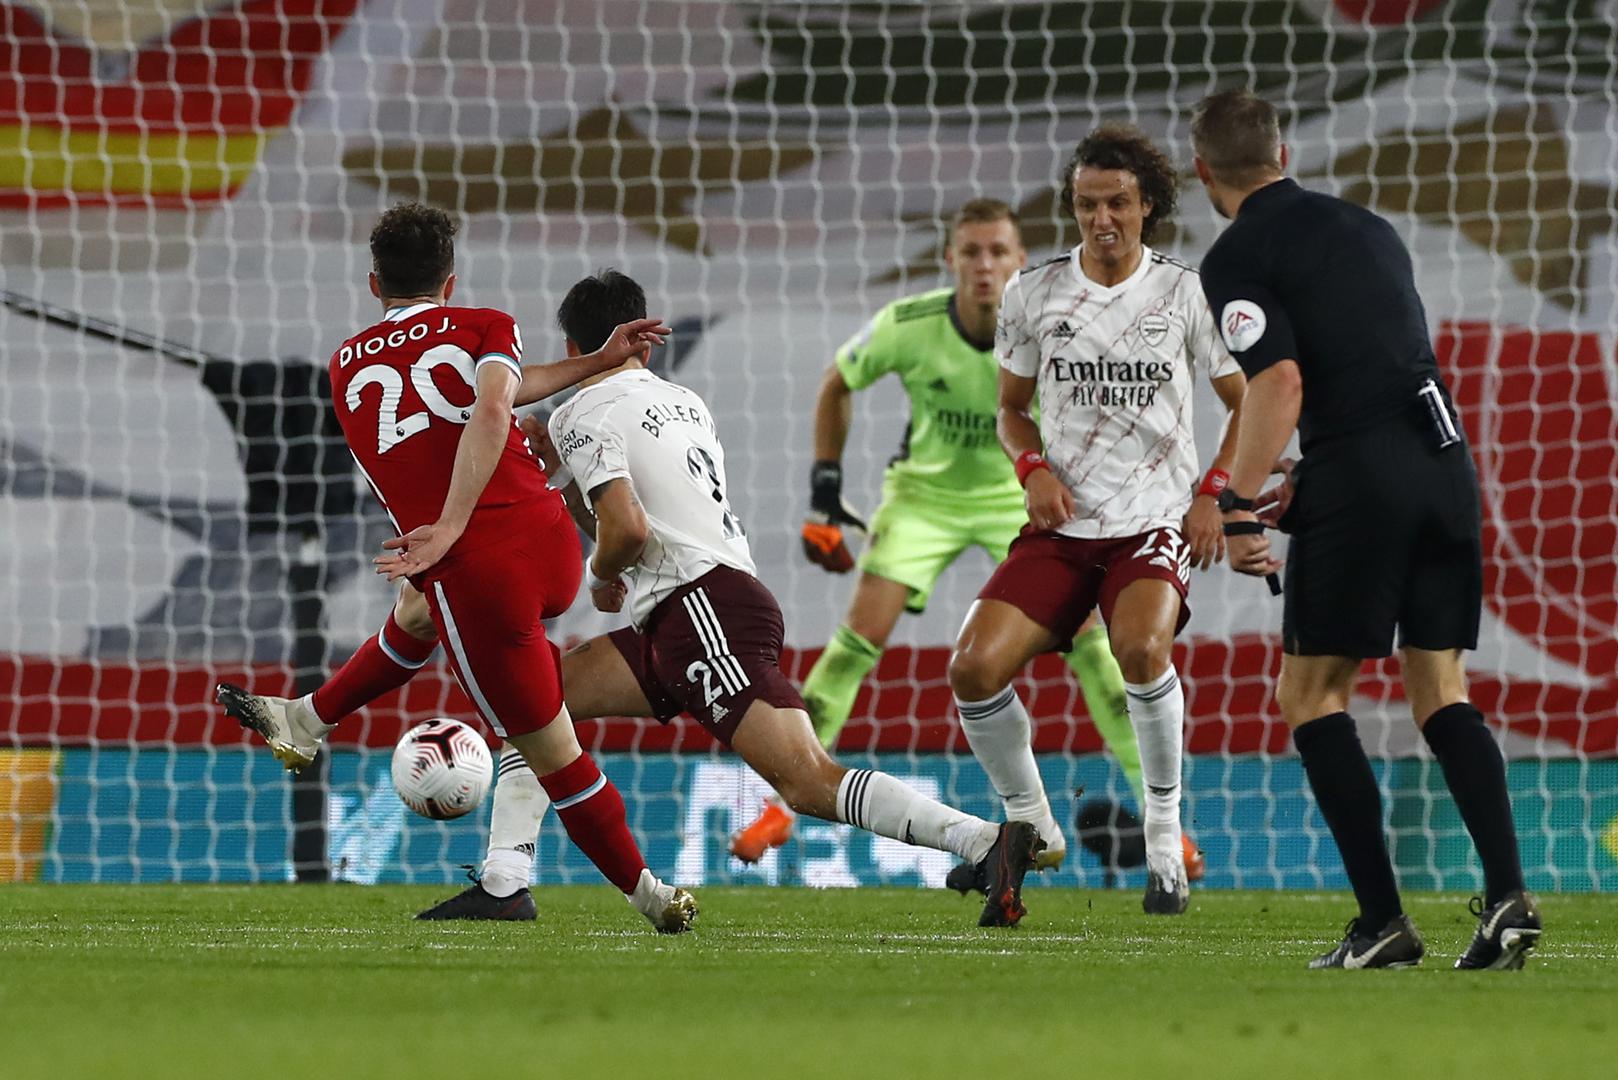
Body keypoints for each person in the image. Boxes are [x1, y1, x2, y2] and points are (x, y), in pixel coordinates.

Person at [228, 270, 1046, 929]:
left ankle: (981, 839)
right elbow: (624, 486)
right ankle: (506, 881)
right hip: (696, 608)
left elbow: (621, 523)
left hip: (699, 611)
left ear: (571, 345)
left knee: (801, 779)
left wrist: (600, 576)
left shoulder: (585, 408)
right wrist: (560, 464)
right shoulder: (679, 401)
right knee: (537, 704)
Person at [216, 203, 696, 934]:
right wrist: (598, 360)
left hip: (481, 573)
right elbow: (496, 394)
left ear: (374, 281)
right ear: (451, 279)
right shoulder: (484, 324)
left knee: (549, 754)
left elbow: (488, 414)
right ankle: (306, 719)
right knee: (416, 609)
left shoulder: (345, 363)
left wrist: (447, 526)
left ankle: (648, 896)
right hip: (548, 544)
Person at [735, 197, 1203, 880]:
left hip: (1025, 495)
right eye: (972, 252)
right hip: (923, 498)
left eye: (998, 252)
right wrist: (823, 494)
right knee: (855, 640)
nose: (985, 266)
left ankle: (1167, 826)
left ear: (1020, 260)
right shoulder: (909, 324)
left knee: (1100, 656)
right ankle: (786, 798)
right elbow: (837, 382)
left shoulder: (1056, 321)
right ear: (950, 259)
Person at [1190, 88, 1541, 970]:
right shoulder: (1368, 227)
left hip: (1361, 474)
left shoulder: (1236, 256)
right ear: (1283, 153)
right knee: (1441, 687)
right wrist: (1312, 471)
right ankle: (1506, 900)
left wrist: (1233, 505)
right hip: (1443, 462)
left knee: (1310, 695)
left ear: (1203, 173)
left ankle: (1381, 923)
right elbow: (1372, 360)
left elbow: (1279, 384)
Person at [946, 124, 1246, 916]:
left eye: (1117, 203)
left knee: (1140, 648)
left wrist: (1213, 490)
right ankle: (1036, 826)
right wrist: (1030, 466)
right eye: (1086, 205)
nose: (1101, 219)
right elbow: (1011, 409)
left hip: (1150, 521)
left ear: (1147, 206)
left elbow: (1244, 403)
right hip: (1062, 527)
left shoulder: (1185, 292)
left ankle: (1161, 841)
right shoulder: (1032, 293)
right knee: (972, 668)